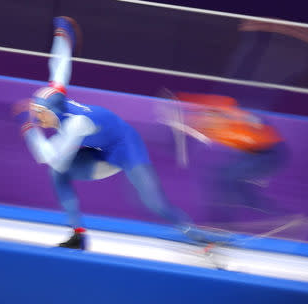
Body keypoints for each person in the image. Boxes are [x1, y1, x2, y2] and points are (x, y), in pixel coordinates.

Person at [13, 17, 207, 250]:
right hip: (99, 149)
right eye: (35, 113)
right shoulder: (56, 96)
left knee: (152, 202)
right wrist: (62, 33)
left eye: (39, 114)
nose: (37, 118)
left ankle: (195, 236)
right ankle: (78, 235)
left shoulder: (76, 124)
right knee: (57, 173)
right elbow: (60, 64)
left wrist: (27, 127)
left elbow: (46, 155)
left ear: (52, 111)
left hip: (125, 147)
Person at [159, 92, 289, 215]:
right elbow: (183, 133)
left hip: (271, 152)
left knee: (226, 177)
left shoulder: (226, 112)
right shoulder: (202, 127)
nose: (210, 120)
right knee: (221, 178)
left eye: (212, 116)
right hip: (253, 154)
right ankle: (250, 208)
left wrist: (175, 99)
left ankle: (247, 209)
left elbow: (224, 103)